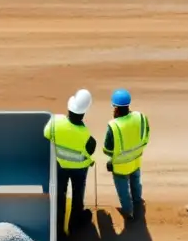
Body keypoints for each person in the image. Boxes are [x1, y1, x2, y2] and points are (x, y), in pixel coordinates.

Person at [43, 89, 97, 233]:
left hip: (60, 165)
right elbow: (90, 150)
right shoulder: (86, 135)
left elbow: (46, 134)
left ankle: (59, 227)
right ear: (84, 112)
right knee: (77, 196)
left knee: (60, 195)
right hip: (79, 170)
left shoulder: (55, 122)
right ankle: (75, 223)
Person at [103, 89, 150, 221]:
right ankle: (138, 202)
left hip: (120, 166)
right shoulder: (141, 117)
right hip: (136, 160)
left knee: (123, 191)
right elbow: (145, 137)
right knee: (136, 183)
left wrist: (111, 160)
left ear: (115, 108)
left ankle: (128, 212)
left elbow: (107, 149)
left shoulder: (113, 125)